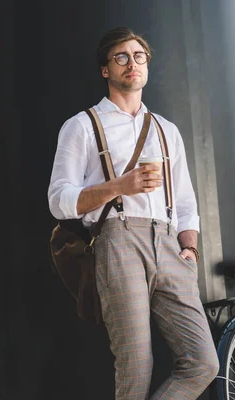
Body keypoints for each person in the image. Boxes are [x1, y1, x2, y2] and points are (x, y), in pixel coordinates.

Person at [47, 27, 219, 399]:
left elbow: (186, 201)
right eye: (121, 57)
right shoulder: (83, 126)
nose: (132, 63)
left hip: (171, 246)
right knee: (136, 364)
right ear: (106, 69)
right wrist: (119, 187)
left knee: (204, 362)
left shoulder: (166, 130)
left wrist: (189, 250)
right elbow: (59, 200)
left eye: (139, 56)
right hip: (118, 241)